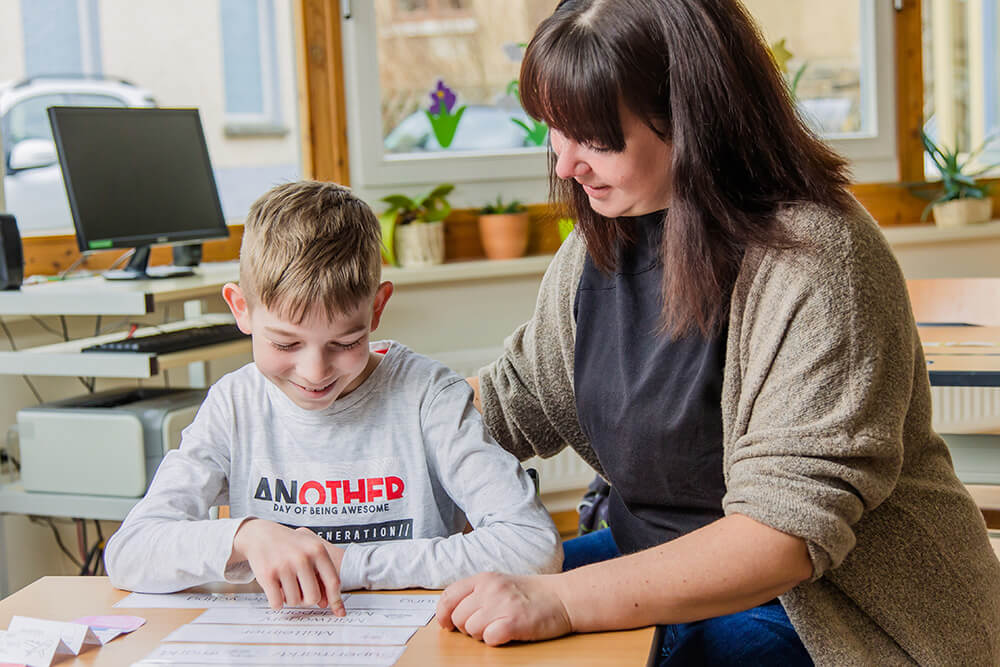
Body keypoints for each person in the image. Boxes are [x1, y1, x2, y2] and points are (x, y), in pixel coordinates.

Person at [434, 0, 1000, 664]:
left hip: (823, 608)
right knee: (446, 609)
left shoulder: (820, 261)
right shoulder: (605, 237)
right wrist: (349, 417)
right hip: (652, 559)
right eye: (554, 131)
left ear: (692, 117)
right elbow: (510, 400)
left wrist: (558, 600)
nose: (564, 165)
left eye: (594, 138)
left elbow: (780, 538)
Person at [104, 181, 561, 611]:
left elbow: (533, 545)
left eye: (344, 344)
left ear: (377, 308)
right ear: (240, 308)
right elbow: (130, 551)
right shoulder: (235, 404)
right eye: (285, 344)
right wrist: (246, 535)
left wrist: (346, 565)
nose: (315, 373)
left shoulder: (428, 398)